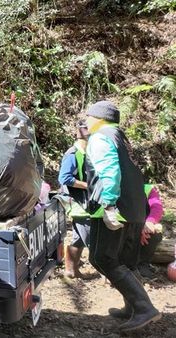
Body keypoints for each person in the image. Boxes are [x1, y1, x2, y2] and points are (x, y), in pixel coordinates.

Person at [84, 100, 161, 331]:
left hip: (114, 209)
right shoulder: (124, 140)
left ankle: (144, 308)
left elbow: (109, 171)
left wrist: (108, 205)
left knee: (102, 258)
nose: (86, 121)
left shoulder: (100, 137)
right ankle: (132, 307)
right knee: (125, 262)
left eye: (88, 117)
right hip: (135, 210)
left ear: (97, 118)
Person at [58, 120, 92, 279]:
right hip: (77, 202)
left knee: (78, 237)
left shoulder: (86, 153)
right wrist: (88, 186)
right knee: (90, 237)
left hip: (84, 201)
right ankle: (110, 275)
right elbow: (64, 178)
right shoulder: (72, 154)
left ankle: (71, 270)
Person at [138, 184, 164, 278]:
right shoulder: (115, 187)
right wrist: (136, 229)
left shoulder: (148, 189)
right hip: (124, 226)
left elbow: (157, 208)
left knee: (154, 233)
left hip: (145, 226)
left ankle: (142, 264)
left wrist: (149, 222)